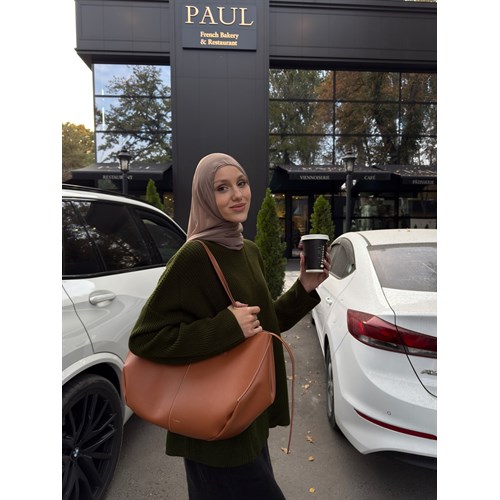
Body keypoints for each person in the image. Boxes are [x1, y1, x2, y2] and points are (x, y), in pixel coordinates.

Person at [128, 153, 330, 500]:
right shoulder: (194, 256)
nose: (237, 194)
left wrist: (305, 287)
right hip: (213, 427)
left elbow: (263, 326)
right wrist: (227, 327)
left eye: (241, 183)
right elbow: (146, 338)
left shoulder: (247, 250)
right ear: (205, 197)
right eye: (222, 188)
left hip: (247, 411)